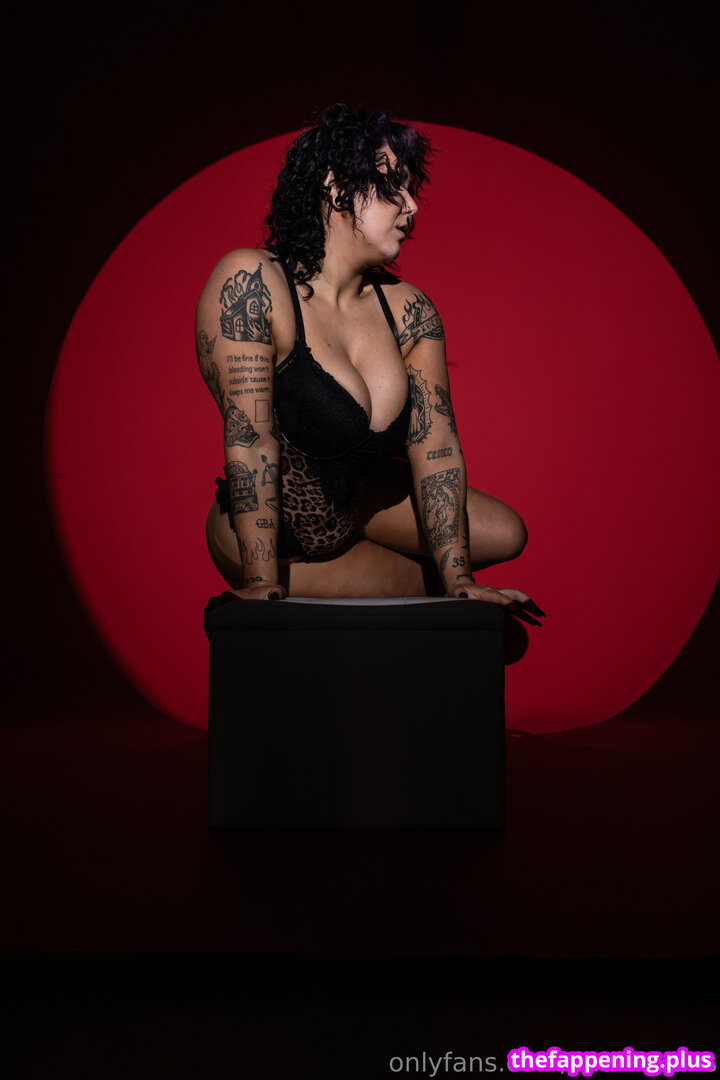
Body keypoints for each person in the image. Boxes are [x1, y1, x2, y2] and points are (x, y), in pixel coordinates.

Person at [196, 104, 545, 626]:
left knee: (506, 533)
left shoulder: (409, 310)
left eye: (411, 189)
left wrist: (460, 578)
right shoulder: (252, 282)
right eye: (392, 186)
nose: (412, 206)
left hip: (355, 504)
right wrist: (260, 580)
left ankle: (429, 575)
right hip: (281, 537)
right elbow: (251, 440)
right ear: (336, 188)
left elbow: (437, 448)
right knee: (433, 603)